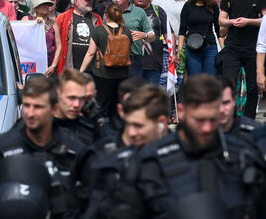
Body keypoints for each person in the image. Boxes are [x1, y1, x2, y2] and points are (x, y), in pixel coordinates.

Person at [131, 74, 266, 218]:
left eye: (212, 119)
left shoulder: (244, 156)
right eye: (200, 120)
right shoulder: (152, 162)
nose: (207, 128)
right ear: (182, 111)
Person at [0, 77, 84, 218]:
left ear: (55, 109)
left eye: (38, 107)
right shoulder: (0, 149)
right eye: (27, 105)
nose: (30, 113)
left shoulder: (74, 152)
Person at [72, 84, 170, 219]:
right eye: (128, 124)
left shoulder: (182, 158)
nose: (131, 133)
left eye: (138, 126)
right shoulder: (105, 160)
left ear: (162, 122)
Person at [219, 0, 266, 118]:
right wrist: (232, 21)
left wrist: (249, 21)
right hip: (232, 46)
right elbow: (221, 19)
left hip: (252, 47)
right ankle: (229, 119)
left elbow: (265, 21)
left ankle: (249, 121)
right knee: (229, 85)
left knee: (253, 88)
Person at [80, 3, 135, 118]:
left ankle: (103, 131)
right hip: (123, 74)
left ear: (106, 15)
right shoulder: (127, 31)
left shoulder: (98, 30)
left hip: (103, 74)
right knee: (119, 107)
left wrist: (81, 71)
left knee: (103, 106)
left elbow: (91, 53)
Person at [109, 0, 155, 78]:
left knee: (134, 91)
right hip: (113, 59)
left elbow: (152, 36)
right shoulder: (108, 12)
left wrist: (144, 35)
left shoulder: (139, 12)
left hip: (133, 60)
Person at [177, 0, 220, 76]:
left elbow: (218, 30)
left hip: (210, 46)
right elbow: (182, 30)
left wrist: (222, 49)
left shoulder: (213, 6)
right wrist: (180, 51)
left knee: (210, 81)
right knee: (195, 81)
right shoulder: (188, 6)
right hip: (192, 47)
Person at [55, 0, 103, 75]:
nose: (90, 2)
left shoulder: (97, 18)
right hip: (70, 69)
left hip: (93, 69)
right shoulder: (62, 18)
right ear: (76, 2)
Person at [133, 0, 168, 83]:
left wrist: (172, 54)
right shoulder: (127, 11)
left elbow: (167, 34)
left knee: (152, 96)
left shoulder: (158, 10)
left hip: (154, 62)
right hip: (132, 63)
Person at [53, 68, 97, 146]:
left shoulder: (88, 128)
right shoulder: (41, 126)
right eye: (71, 98)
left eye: (82, 98)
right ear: (58, 92)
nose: (77, 104)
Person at [218, 75, 260, 142]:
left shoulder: (255, 133)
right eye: (216, 104)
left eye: (226, 103)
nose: (221, 110)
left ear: (234, 100)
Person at [29, 0, 62, 76]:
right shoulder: (26, 20)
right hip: (30, 65)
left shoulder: (53, 24)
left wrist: (53, 66)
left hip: (49, 67)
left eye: (47, 4)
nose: (46, 6)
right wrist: (34, 24)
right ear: (35, 6)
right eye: (43, 4)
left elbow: (59, 47)